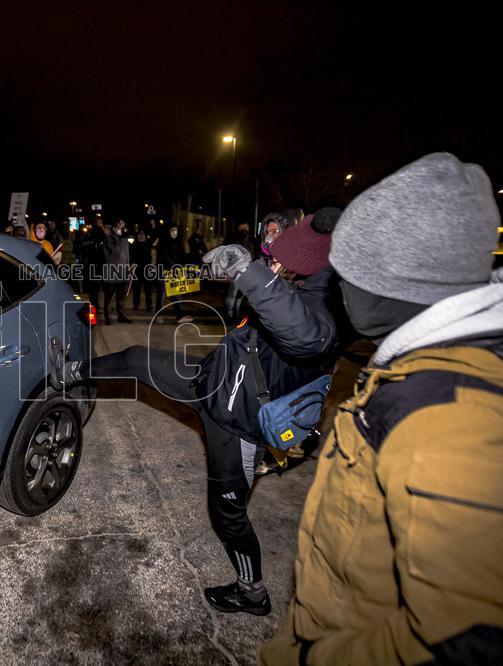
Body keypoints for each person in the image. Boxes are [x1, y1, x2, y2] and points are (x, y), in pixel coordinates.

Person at [260, 153, 503, 665]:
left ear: (386, 286)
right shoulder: (450, 365)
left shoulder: (453, 419)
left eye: (346, 277)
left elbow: (471, 644)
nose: (338, 292)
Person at [50, 218, 340, 617]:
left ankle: (252, 591)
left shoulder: (321, 312)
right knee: (136, 359)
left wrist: (252, 274)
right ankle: (74, 373)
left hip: (236, 424)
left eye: (277, 260)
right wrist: (247, 281)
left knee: (227, 515)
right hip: (210, 381)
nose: (270, 263)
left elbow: (305, 335)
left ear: (304, 267)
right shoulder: (291, 285)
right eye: (269, 257)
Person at [101, 219, 133, 324]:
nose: (122, 228)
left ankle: (121, 316)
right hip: (112, 272)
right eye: (120, 226)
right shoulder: (109, 239)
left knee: (121, 297)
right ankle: (107, 316)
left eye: (123, 226)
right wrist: (122, 239)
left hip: (122, 272)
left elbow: (127, 255)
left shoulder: (123, 239)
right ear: (114, 228)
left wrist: (128, 268)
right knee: (109, 296)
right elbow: (117, 251)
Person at [158, 224, 191, 323]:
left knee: (176, 293)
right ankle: (158, 315)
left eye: (176, 230)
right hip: (164, 270)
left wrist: (183, 268)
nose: (174, 232)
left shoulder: (178, 243)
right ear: (168, 231)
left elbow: (182, 257)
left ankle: (179, 316)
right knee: (162, 294)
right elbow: (163, 257)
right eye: (172, 230)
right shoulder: (163, 242)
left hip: (176, 271)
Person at [130, 228, 156, 312]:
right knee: (136, 289)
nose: (141, 236)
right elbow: (131, 258)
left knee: (148, 289)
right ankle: (136, 304)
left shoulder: (149, 245)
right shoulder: (133, 245)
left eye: (143, 234)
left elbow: (152, 257)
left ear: (145, 236)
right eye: (139, 234)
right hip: (136, 270)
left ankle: (149, 305)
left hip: (147, 270)